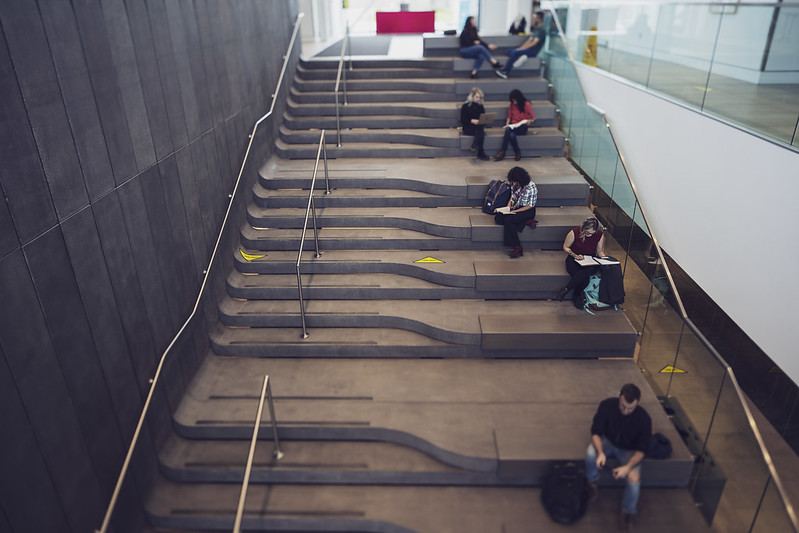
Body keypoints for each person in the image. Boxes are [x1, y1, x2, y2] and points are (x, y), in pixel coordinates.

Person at [585, 383, 652, 532]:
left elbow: (642, 449)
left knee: (634, 479)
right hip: (608, 442)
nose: (626, 411)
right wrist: (601, 452)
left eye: (631, 408)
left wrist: (627, 468)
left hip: (629, 451)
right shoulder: (607, 406)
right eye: (623, 406)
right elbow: (596, 431)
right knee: (591, 453)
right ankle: (592, 481)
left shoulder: (644, 419)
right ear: (619, 396)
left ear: (638, 403)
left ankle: (628, 511)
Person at [556, 216, 606, 308]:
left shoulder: (599, 234)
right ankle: (577, 295)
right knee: (584, 279)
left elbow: (599, 251)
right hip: (574, 258)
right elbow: (566, 247)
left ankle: (566, 289)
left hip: (590, 259)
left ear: (595, 230)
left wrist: (605, 260)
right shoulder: (574, 232)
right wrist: (575, 255)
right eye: (586, 232)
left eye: (591, 233)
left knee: (587, 271)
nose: (589, 235)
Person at [493, 166, 537, 258]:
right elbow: (512, 197)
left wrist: (516, 211)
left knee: (509, 220)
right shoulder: (515, 185)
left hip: (527, 210)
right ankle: (525, 222)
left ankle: (517, 246)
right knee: (498, 218)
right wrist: (508, 207)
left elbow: (530, 205)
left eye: (515, 181)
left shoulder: (531, 187)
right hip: (516, 207)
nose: (513, 183)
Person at [496, 12, 546, 79]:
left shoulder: (542, 31)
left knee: (514, 53)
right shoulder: (536, 29)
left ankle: (505, 72)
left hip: (533, 51)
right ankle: (523, 56)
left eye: (535, 18)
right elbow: (529, 40)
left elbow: (534, 43)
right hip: (527, 49)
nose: (533, 19)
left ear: (539, 19)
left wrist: (521, 49)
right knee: (508, 51)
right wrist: (521, 48)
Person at [494, 89, 535, 161]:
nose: (514, 102)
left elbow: (533, 117)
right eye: (512, 100)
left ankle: (503, 151)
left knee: (509, 131)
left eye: (515, 100)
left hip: (522, 126)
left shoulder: (526, 104)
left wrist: (529, 121)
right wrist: (507, 124)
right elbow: (509, 116)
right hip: (513, 125)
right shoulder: (512, 105)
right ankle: (517, 152)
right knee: (511, 134)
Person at [461, 87, 490, 161]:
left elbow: (483, 116)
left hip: (477, 126)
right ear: (472, 96)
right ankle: (480, 152)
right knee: (481, 132)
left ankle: (475, 146)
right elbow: (463, 119)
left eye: (479, 97)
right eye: (476, 97)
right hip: (468, 127)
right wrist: (471, 121)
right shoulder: (465, 106)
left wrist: (483, 120)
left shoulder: (480, 106)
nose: (478, 99)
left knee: (480, 129)